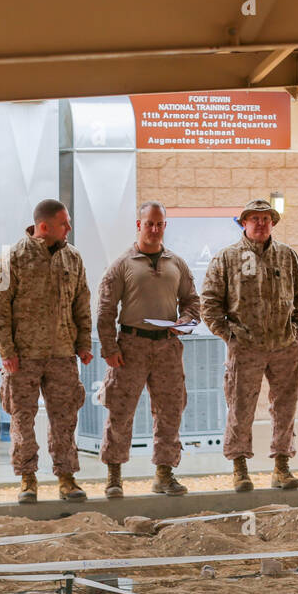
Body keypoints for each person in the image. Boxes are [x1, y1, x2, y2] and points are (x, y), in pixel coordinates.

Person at [201, 199, 298, 492]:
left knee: (285, 408)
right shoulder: (227, 258)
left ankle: (282, 466)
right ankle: (240, 468)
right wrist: (230, 336)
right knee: (241, 408)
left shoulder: (287, 256)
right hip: (246, 348)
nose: (261, 224)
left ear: (272, 223)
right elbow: (210, 304)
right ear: (244, 223)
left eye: (266, 219)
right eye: (255, 219)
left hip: (285, 346)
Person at [0, 199, 92, 503]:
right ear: (44, 227)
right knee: (22, 418)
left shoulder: (72, 258)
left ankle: (66, 477)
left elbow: (82, 303)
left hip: (62, 353)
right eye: (64, 223)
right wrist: (6, 351)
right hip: (24, 355)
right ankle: (27, 478)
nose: (69, 228)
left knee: (65, 417)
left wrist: (84, 343)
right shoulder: (13, 259)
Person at [96, 201, 200, 498]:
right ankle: (114, 476)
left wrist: (186, 320)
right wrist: (109, 349)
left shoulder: (176, 264)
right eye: (149, 223)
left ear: (165, 226)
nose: (154, 229)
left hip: (167, 347)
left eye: (159, 224)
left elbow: (193, 301)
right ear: (138, 225)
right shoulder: (122, 265)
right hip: (130, 348)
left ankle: (164, 475)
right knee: (120, 410)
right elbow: (105, 310)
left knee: (170, 411)